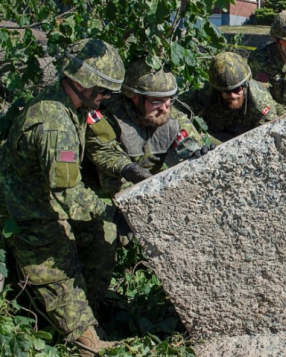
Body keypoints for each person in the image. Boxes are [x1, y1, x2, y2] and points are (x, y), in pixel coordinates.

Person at [0, 38, 125, 355]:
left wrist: (128, 170)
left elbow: (103, 145)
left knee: (104, 236)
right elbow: (68, 193)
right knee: (60, 267)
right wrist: (111, 213)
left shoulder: (77, 107)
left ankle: (90, 313)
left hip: (49, 202)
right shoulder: (55, 124)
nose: (105, 98)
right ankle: (85, 342)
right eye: (104, 91)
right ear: (85, 84)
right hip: (28, 212)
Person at [86, 58, 210, 196]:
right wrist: (129, 170)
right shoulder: (108, 118)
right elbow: (108, 167)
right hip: (98, 194)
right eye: (156, 101)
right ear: (135, 98)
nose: (164, 108)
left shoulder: (172, 118)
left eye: (169, 99)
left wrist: (197, 152)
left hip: (151, 188)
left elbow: (187, 141)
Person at [177, 52, 284, 142]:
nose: (232, 95)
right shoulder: (205, 92)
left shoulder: (260, 101)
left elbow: (269, 135)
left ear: (245, 85)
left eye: (237, 90)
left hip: (250, 140)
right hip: (216, 138)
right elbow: (174, 107)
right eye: (225, 91)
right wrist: (190, 131)